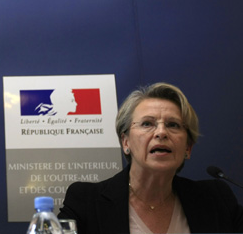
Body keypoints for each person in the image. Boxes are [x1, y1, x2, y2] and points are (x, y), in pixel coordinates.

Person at [58, 82, 243, 233]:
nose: (161, 132)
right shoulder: (86, 201)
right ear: (126, 142)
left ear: (188, 147)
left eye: (173, 125)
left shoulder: (216, 199)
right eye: (147, 123)